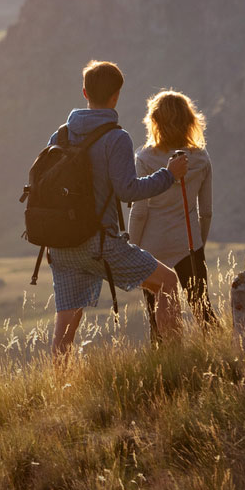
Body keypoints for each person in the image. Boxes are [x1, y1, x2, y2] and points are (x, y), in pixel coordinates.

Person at [45, 60, 189, 359]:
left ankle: (59, 387)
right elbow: (128, 191)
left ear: (84, 92)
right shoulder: (116, 138)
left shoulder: (59, 136)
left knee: (66, 323)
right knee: (168, 283)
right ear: (116, 96)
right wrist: (169, 175)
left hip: (61, 244)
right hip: (100, 243)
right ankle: (177, 364)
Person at [130, 89, 215, 325]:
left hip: (151, 248)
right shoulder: (200, 158)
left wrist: (132, 252)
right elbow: (206, 211)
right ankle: (221, 358)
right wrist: (199, 247)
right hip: (188, 244)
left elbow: (139, 212)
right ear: (190, 121)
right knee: (204, 312)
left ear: (154, 121)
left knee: (158, 321)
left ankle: (165, 361)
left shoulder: (144, 159)